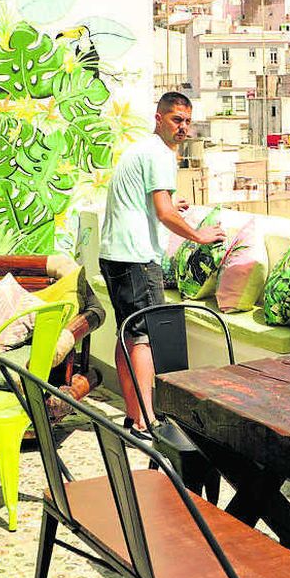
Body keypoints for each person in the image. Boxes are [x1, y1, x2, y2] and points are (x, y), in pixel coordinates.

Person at [98, 91, 223, 429]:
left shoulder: (141, 150)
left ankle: (133, 414)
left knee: (127, 335)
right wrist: (200, 236)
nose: (183, 128)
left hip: (114, 255)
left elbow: (156, 202)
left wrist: (171, 203)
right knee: (144, 338)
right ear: (159, 118)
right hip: (136, 259)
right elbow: (163, 213)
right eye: (176, 120)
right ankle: (146, 421)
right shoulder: (160, 155)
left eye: (187, 121)